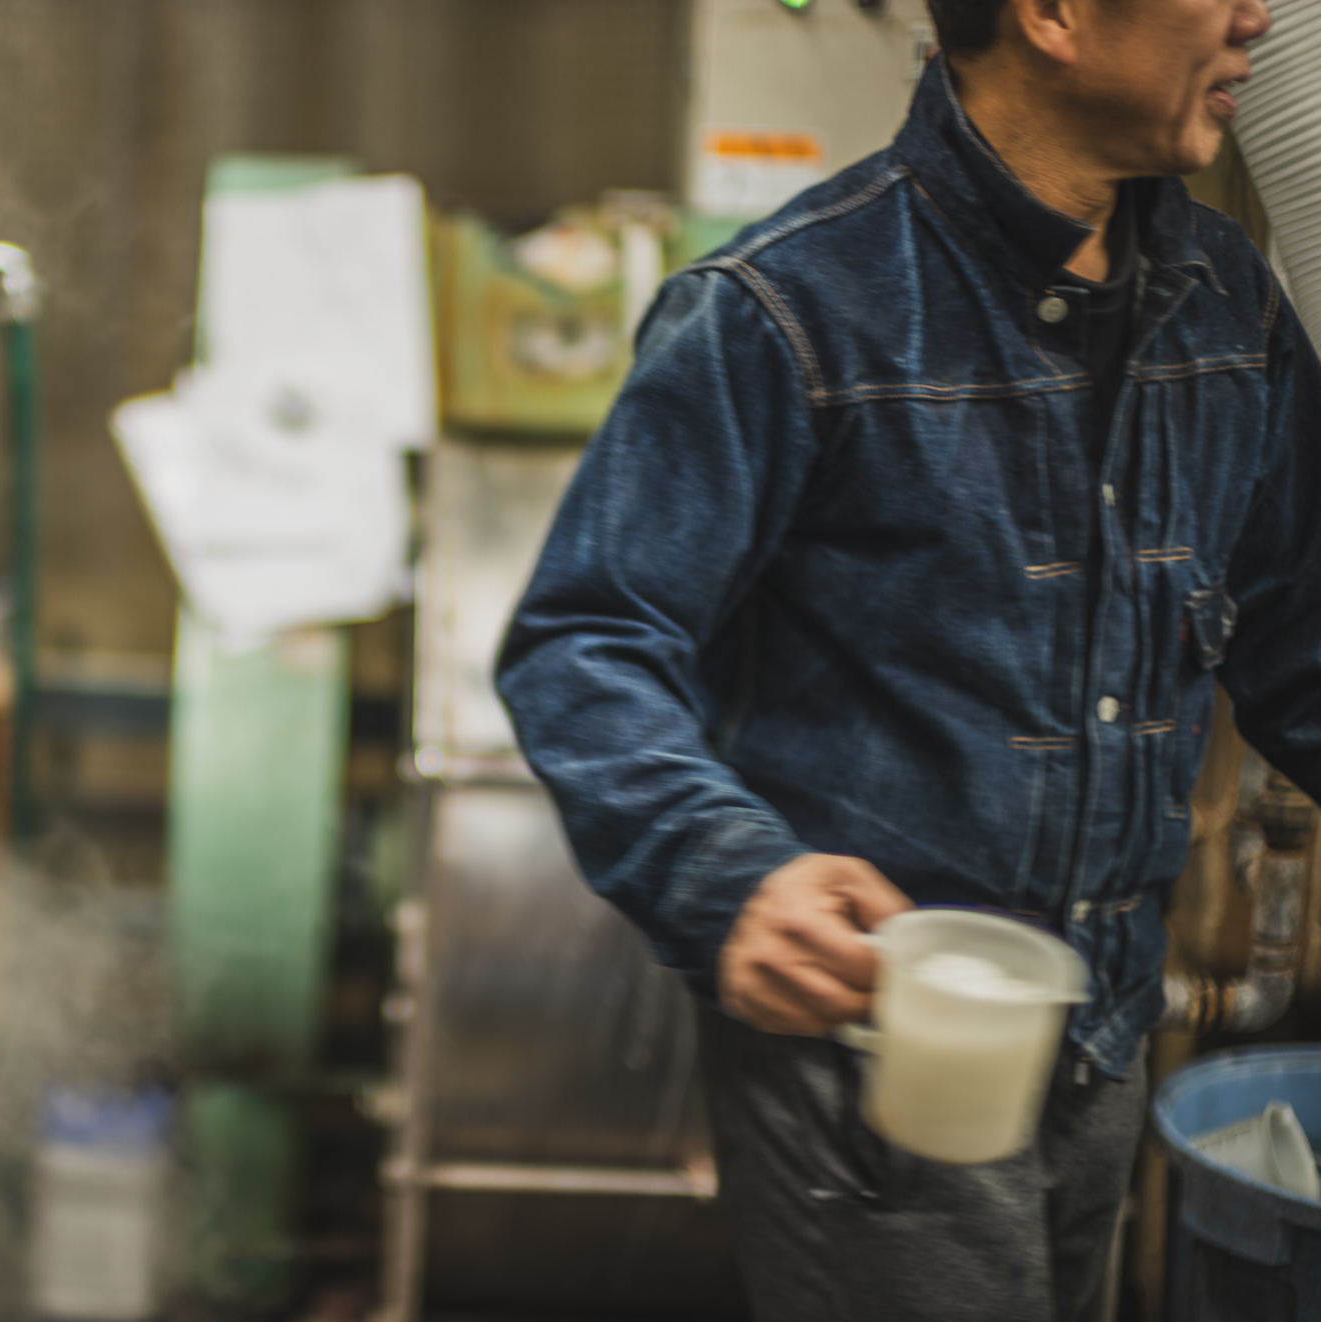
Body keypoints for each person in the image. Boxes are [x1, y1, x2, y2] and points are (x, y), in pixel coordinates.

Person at [494, 0, 1292, 1313]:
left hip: (1100, 1043)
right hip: (872, 1055)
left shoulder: (1228, 303)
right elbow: (588, 641)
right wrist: (727, 878)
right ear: (1053, 14)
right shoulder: (789, 308)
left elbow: (1299, 638)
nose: (1256, 11)